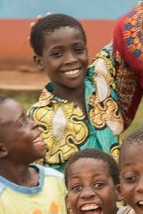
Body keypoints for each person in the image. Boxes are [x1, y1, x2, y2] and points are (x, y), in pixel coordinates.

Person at [28, 13, 123, 173]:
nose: (71, 59)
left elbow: (128, 31)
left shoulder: (102, 77)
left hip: (119, 195)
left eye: (78, 50)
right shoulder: (38, 116)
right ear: (39, 61)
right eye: (57, 54)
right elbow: (38, 175)